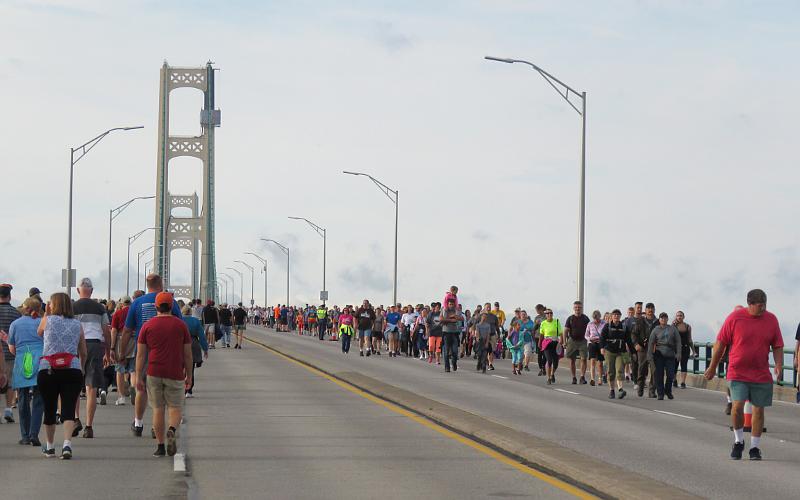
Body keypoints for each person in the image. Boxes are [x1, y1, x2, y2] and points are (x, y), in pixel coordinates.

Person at [705, 290, 783, 461]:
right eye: (759, 305)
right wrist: (712, 367)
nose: (763, 308)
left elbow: (777, 344)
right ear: (750, 304)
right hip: (737, 371)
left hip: (761, 373)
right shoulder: (734, 318)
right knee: (737, 407)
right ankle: (738, 441)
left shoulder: (771, 319)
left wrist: (778, 364)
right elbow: (720, 344)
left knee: (758, 411)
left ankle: (754, 448)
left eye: (765, 304)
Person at [120, 274, 182, 437]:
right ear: (161, 283)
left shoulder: (137, 303)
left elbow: (127, 330)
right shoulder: (170, 300)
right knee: (163, 391)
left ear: (147, 285)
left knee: (142, 388)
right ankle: (158, 427)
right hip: (166, 351)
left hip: (143, 349)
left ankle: (138, 423)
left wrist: (121, 352)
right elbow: (180, 327)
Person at [136, 292, 192, 457]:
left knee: (157, 409)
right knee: (175, 407)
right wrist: (189, 375)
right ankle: (172, 430)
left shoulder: (148, 326)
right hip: (175, 372)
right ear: (172, 307)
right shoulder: (181, 325)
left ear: (156, 307)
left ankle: (160, 446)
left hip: (154, 372)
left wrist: (138, 376)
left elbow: (140, 355)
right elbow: (188, 354)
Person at [37, 292, 87, 459]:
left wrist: (46, 314)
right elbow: (83, 351)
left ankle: (50, 447)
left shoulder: (47, 320)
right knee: (68, 408)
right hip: (72, 368)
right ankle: (67, 445)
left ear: (53, 305)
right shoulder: (77, 324)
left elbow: (39, 333)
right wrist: (82, 367)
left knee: (49, 408)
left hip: (48, 369)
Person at [72, 277, 111, 438]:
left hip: (75, 346)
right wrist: (108, 352)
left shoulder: (71, 307)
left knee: (74, 385)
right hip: (94, 345)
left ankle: (75, 418)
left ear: (78, 290)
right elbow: (106, 331)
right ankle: (89, 426)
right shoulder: (100, 308)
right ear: (92, 291)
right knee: (91, 388)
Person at [8, 297, 44, 445]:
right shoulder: (41, 322)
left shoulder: (15, 324)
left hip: (23, 359)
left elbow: (12, 348)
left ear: (27, 309)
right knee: (38, 399)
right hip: (40, 360)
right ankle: (34, 433)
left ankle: (25, 435)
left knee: (22, 398)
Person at [0, 283, 21, 422]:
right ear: (10, 296)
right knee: (10, 382)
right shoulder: (16, 313)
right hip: (10, 353)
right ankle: (8, 409)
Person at [647, 313, 681, 400]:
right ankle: (660, 393)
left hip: (670, 354)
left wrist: (678, 353)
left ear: (667, 319)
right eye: (661, 318)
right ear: (659, 320)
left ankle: (668, 390)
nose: (663, 320)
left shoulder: (672, 329)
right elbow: (651, 343)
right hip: (659, 354)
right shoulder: (655, 330)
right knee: (659, 375)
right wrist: (649, 355)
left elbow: (678, 342)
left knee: (670, 374)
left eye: (665, 318)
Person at [601, 309, 631, 400]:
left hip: (620, 352)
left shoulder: (624, 327)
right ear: (612, 316)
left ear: (620, 316)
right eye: (614, 315)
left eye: (618, 315)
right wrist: (602, 348)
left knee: (619, 370)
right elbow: (602, 337)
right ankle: (611, 390)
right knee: (610, 371)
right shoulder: (607, 326)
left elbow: (629, 340)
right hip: (609, 351)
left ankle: (621, 389)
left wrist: (632, 352)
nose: (616, 316)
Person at [110, 296, 133, 406]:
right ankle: (134, 390)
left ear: (122, 303)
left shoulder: (117, 314)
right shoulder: (134, 313)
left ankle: (121, 397)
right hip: (133, 340)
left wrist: (112, 347)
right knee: (133, 370)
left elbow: (114, 331)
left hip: (120, 340)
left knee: (120, 370)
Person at [182, 304, 208, 398]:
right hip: (192, 343)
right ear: (190, 312)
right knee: (190, 368)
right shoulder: (195, 321)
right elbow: (202, 336)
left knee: (180, 368)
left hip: (180, 343)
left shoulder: (178, 321)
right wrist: (205, 349)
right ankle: (189, 390)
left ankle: (181, 389)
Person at [564, 301, 590, 385]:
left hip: (583, 341)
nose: (577, 309)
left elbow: (590, 329)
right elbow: (565, 331)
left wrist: (589, 340)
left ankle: (582, 377)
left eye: (579, 307)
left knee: (584, 359)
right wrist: (564, 342)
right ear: (573, 308)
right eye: (576, 307)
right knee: (572, 360)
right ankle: (574, 377)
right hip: (572, 340)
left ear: (581, 308)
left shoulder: (585, 318)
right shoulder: (570, 318)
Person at [440, 298, 463, 373]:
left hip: (455, 332)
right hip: (446, 332)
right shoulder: (444, 309)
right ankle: (447, 367)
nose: (451, 306)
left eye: (452, 304)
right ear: (447, 304)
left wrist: (455, 316)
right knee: (446, 351)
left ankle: (454, 362)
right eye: (450, 304)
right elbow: (441, 319)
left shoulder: (456, 310)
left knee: (455, 351)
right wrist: (450, 319)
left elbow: (461, 318)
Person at [674, 311, 694, 388]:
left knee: (684, 365)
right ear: (676, 317)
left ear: (683, 317)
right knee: (674, 365)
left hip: (685, 348)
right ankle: (674, 380)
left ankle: (683, 382)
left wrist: (694, 351)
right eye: (678, 315)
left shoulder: (687, 326)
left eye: (681, 315)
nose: (679, 317)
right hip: (675, 349)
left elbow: (690, 339)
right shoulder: (673, 326)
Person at [585, 310, 605, 386]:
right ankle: (592, 379)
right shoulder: (590, 324)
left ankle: (600, 379)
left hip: (600, 343)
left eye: (597, 318)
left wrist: (602, 339)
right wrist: (590, 339)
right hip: (592, 343)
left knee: (600, 362)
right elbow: (586, 335)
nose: (596, 320)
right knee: (592, 361)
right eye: (594, 318)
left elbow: (606, 334)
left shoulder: (604, 323)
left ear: (600, 317)